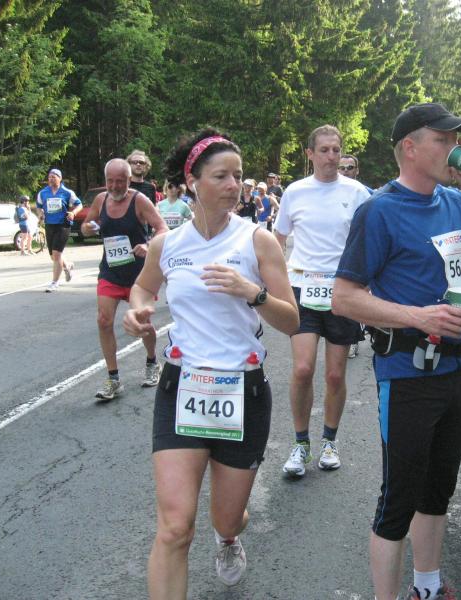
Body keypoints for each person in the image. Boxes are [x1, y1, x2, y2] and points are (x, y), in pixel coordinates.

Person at [332, 102, 461, 600]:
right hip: (405, 373)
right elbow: (344, 297)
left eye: (456, 140)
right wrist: (420, 316)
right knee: (398, 499)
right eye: (443, 140)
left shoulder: (457, 203)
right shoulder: (379, 210)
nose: (454, 149)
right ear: (410, 147)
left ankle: (426, 587)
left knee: (439, 490)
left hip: (455, 370)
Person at [123, 128, 299, 598]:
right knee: (175, 527)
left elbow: (291, 320)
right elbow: (143, 287)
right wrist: (137, 310)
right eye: (221, 175)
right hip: (182, 386)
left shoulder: (258, 241)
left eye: (238, 176)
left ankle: (228, 536)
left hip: (242, 390)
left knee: (226, 517)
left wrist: (252, 293)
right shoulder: (167, 245)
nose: (234, 185)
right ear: (193, 181)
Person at [273, 125, 370, 478]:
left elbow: (370, 239)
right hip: (302, 288)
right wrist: (278, 278)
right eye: (324, 150)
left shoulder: (357, 193)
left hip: (342, 291)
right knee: (302, 369)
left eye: (336, 150)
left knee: (334, 374)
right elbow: (278, 237)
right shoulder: (295, 192)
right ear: (310, 154)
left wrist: (365, 282)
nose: (331, 156)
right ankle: (301, 443)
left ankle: (329, 440)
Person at [82, 159, 169, 400]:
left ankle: (152, 362)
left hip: (139, 275)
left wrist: (148, 245)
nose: (114, 186)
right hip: (110, 271)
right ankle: (113, 378)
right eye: (110, 181)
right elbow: (88, 225)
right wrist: (87, 229)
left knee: (142, 321)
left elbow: (163, 228)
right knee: (103, 320)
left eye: (120, 181)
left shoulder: (139, 201)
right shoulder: (101, 200)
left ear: (129, 180)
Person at [338, 154, 373, 359]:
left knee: (353, 298)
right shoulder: (329, 191)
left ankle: (352, 339)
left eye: (350, 167)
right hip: (336, 256)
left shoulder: (366, 193)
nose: (345, 171)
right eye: (342, 167)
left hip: (358, 255)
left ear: (357, 170)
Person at [36, 168, 82, 292]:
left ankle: (54, 283)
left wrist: (73, 213)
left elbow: (79, 204)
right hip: (49, 225)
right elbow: (39, 207)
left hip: (63, 225)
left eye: (54, 177)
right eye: (49, 177)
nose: (51, 179)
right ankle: (67, 265)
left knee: (57, 254)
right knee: (53, 256)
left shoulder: (67, 192)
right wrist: (40, 214)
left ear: (60, 178)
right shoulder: (43, 193)